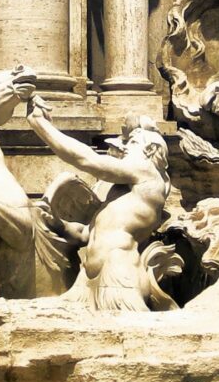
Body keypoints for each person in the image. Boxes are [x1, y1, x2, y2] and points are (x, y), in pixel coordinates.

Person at [26, 105, 176, 312]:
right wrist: (56, 222)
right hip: (87, 280)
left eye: (131, 143)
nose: (123, 148)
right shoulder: (119, 194)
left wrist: (40, 125)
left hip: (118, 276)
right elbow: (85, 234)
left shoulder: (147, 173)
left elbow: (88, 159)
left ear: (150, 150)